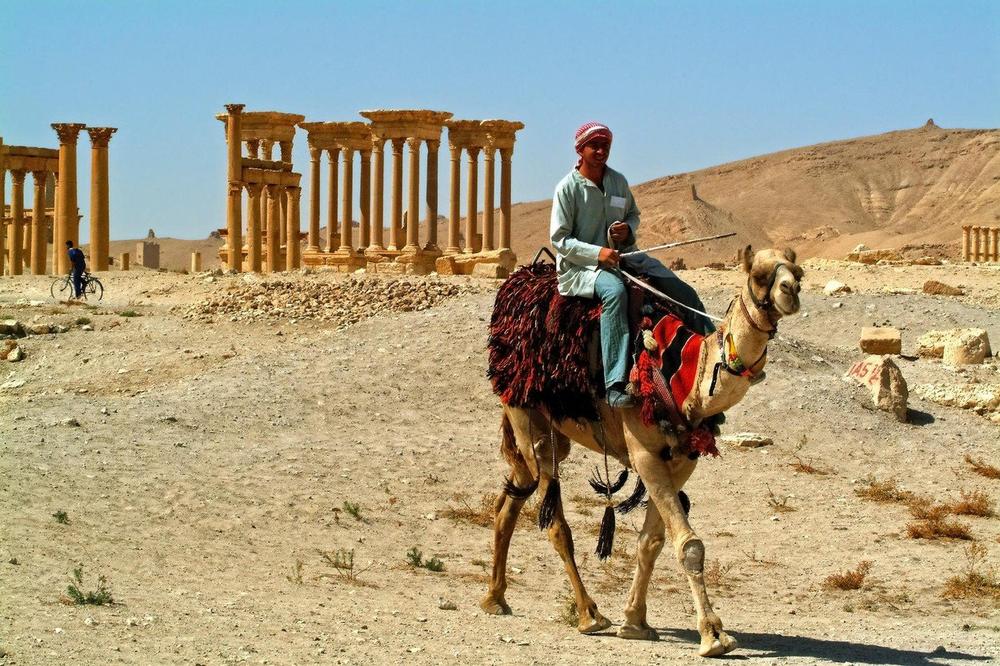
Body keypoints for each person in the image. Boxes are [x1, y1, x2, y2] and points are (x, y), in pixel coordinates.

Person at [550, 122, 713, 408]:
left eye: (606, 146)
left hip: (624, 256)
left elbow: (633, 214)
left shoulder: (618, 182)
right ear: (581, 149)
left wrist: (627, 229)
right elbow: (560, 240)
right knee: (615, 293)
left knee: (676, 286)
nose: (601, 151)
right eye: (595, 146)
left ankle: (716, 347)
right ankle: (614, 384)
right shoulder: (567, 189)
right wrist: (597, 253)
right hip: (583, 268)